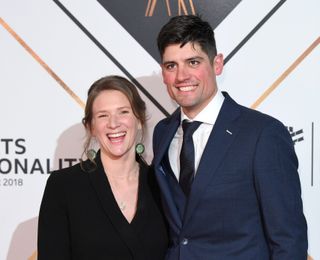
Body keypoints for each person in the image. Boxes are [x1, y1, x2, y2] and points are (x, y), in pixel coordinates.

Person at [152, 15, 308, 259]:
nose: (181, 76)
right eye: (171, 66)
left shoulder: (263, 134)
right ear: (163, 73)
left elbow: (288, 240)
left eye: (193, 62)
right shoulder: (163, 131)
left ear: (217, 64)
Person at [38, 75, 168, 260]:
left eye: (123, 112)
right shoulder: (64, 186)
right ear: (91, 126)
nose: (113, 123)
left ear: (139, 120)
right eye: (103, 115)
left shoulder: (162, 185)